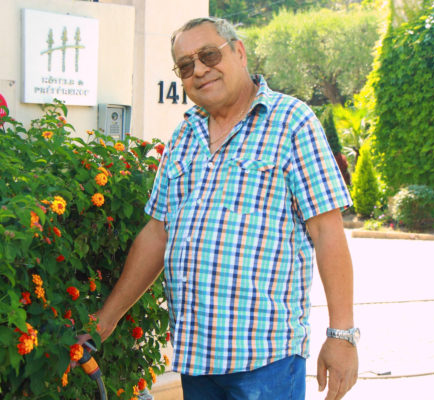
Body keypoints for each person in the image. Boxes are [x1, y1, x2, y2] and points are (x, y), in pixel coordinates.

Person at [79, 17, 359, 400]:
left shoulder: (291, 122)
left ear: (239, 52)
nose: (200, 70)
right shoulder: (184, 135)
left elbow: (327, 232)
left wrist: (341, 335)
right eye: (186, 65)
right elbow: (158, 234)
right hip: (197, 360)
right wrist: (105, 321)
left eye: (209, 55)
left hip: (266, 362)